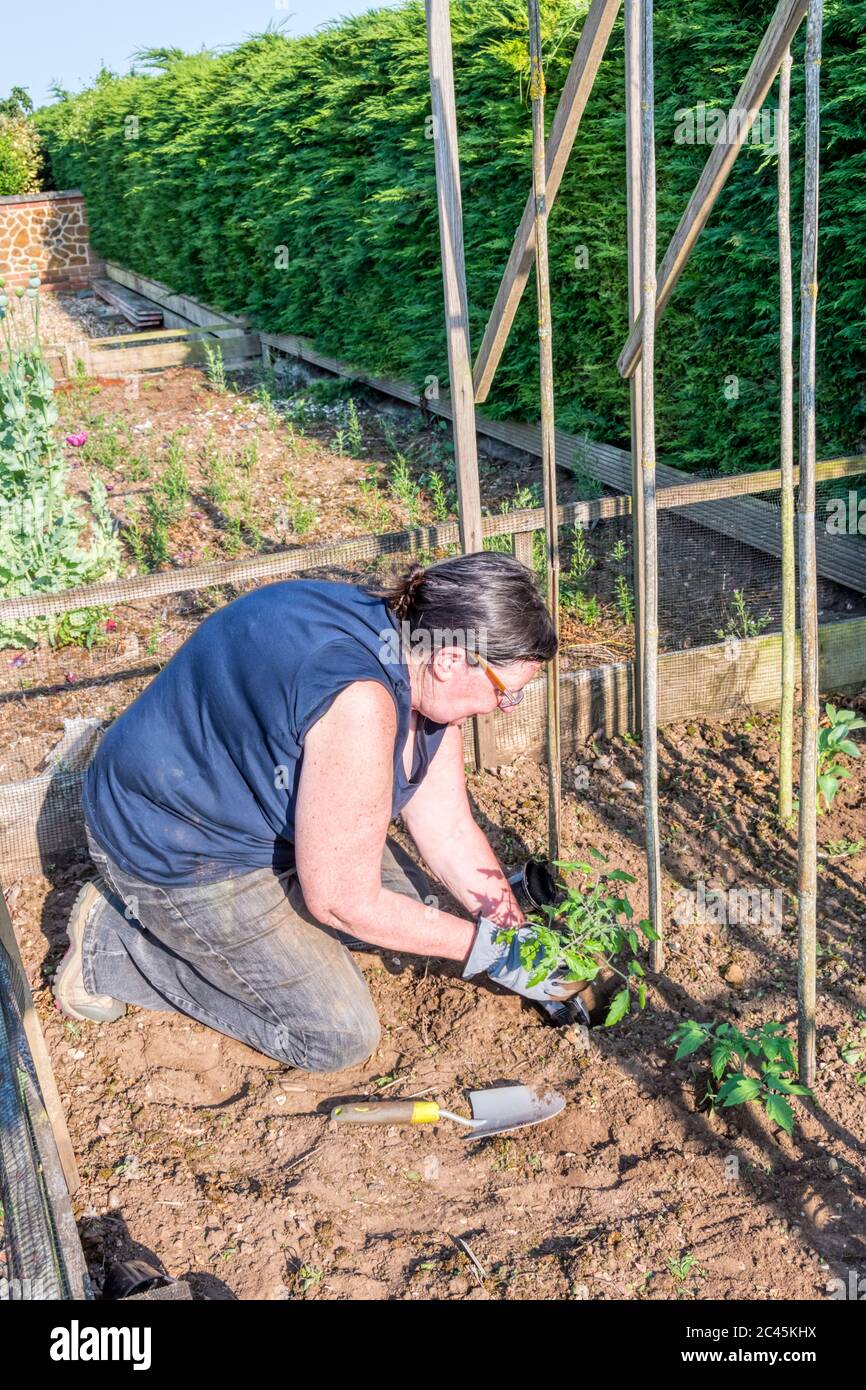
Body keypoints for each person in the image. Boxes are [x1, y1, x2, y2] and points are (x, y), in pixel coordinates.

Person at [54, 552, 585, 1072]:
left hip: (247, 808)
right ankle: (113, 947)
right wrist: (491, 953)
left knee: (421, 907)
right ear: (452, 660)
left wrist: (515, 938)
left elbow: (446, 828)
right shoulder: (358, 702)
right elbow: (342, 901)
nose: (502, 708)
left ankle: (269, 915)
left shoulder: (415, 643)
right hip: (176, 845)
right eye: (505, 694)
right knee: (335, 1036)